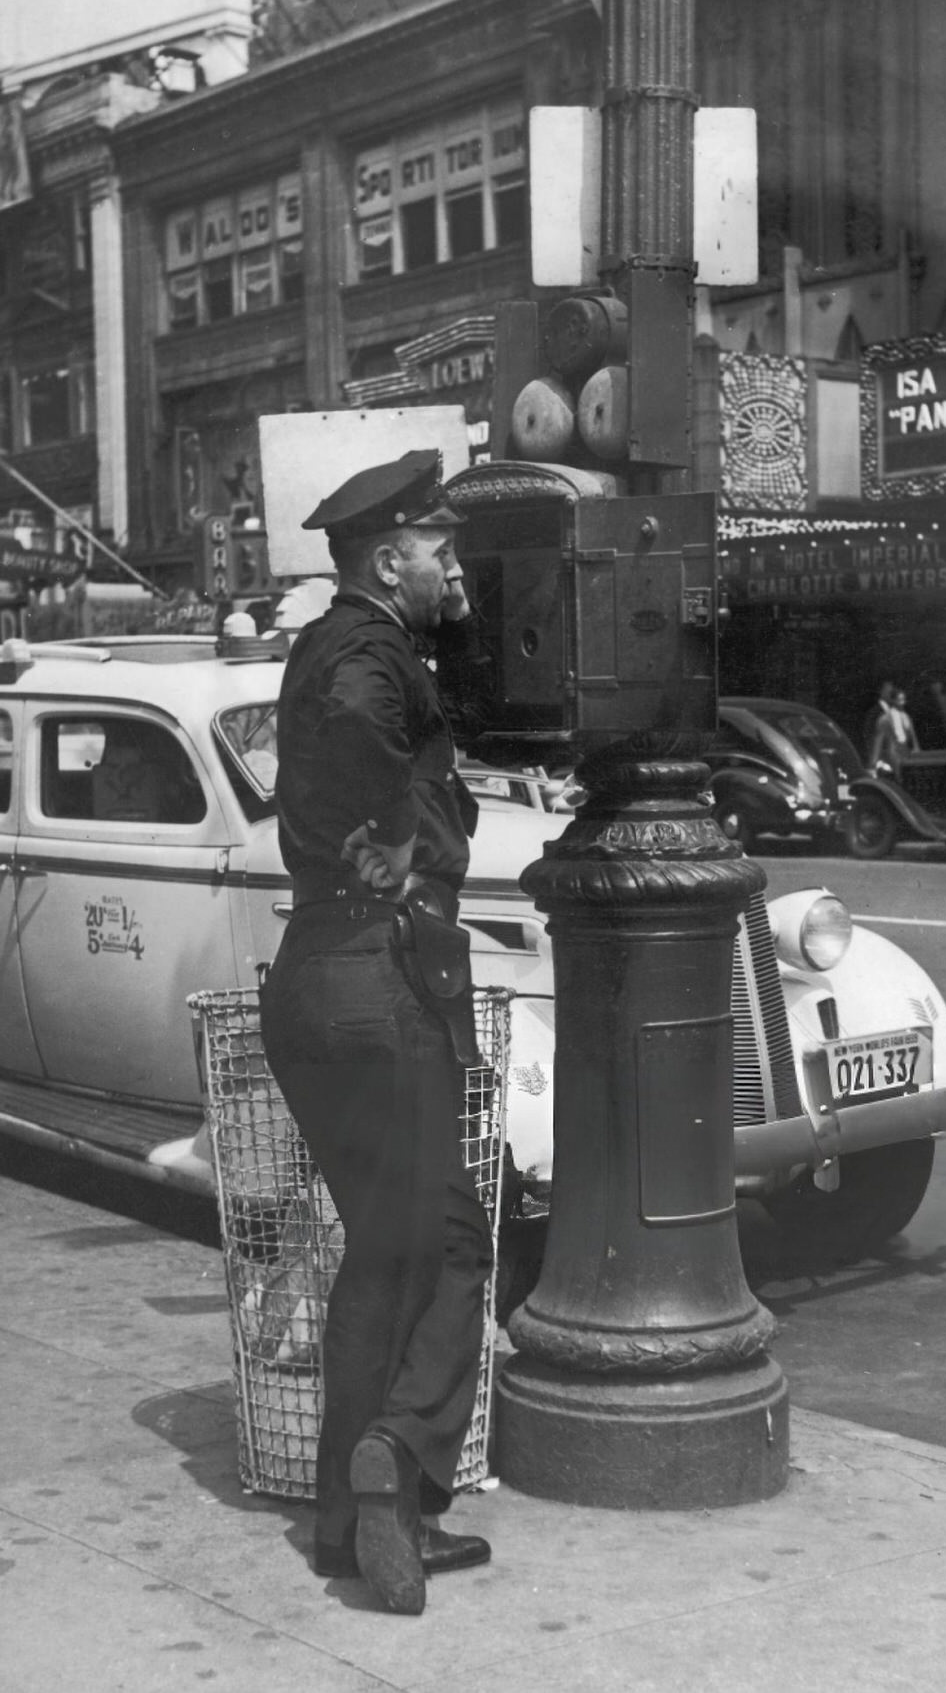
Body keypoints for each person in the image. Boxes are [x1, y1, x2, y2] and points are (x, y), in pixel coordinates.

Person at [258, 449, 495, 1614]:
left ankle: (346, 1524)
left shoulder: (321, 644)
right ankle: (392, 1456)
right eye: (438, 548)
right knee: (451, 1244)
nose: (452, 564)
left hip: (312, 976)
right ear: (385, 556)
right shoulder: (366, 651)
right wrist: (401, 831)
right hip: (374, 979)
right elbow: (362, 725)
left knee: (387, 1248)